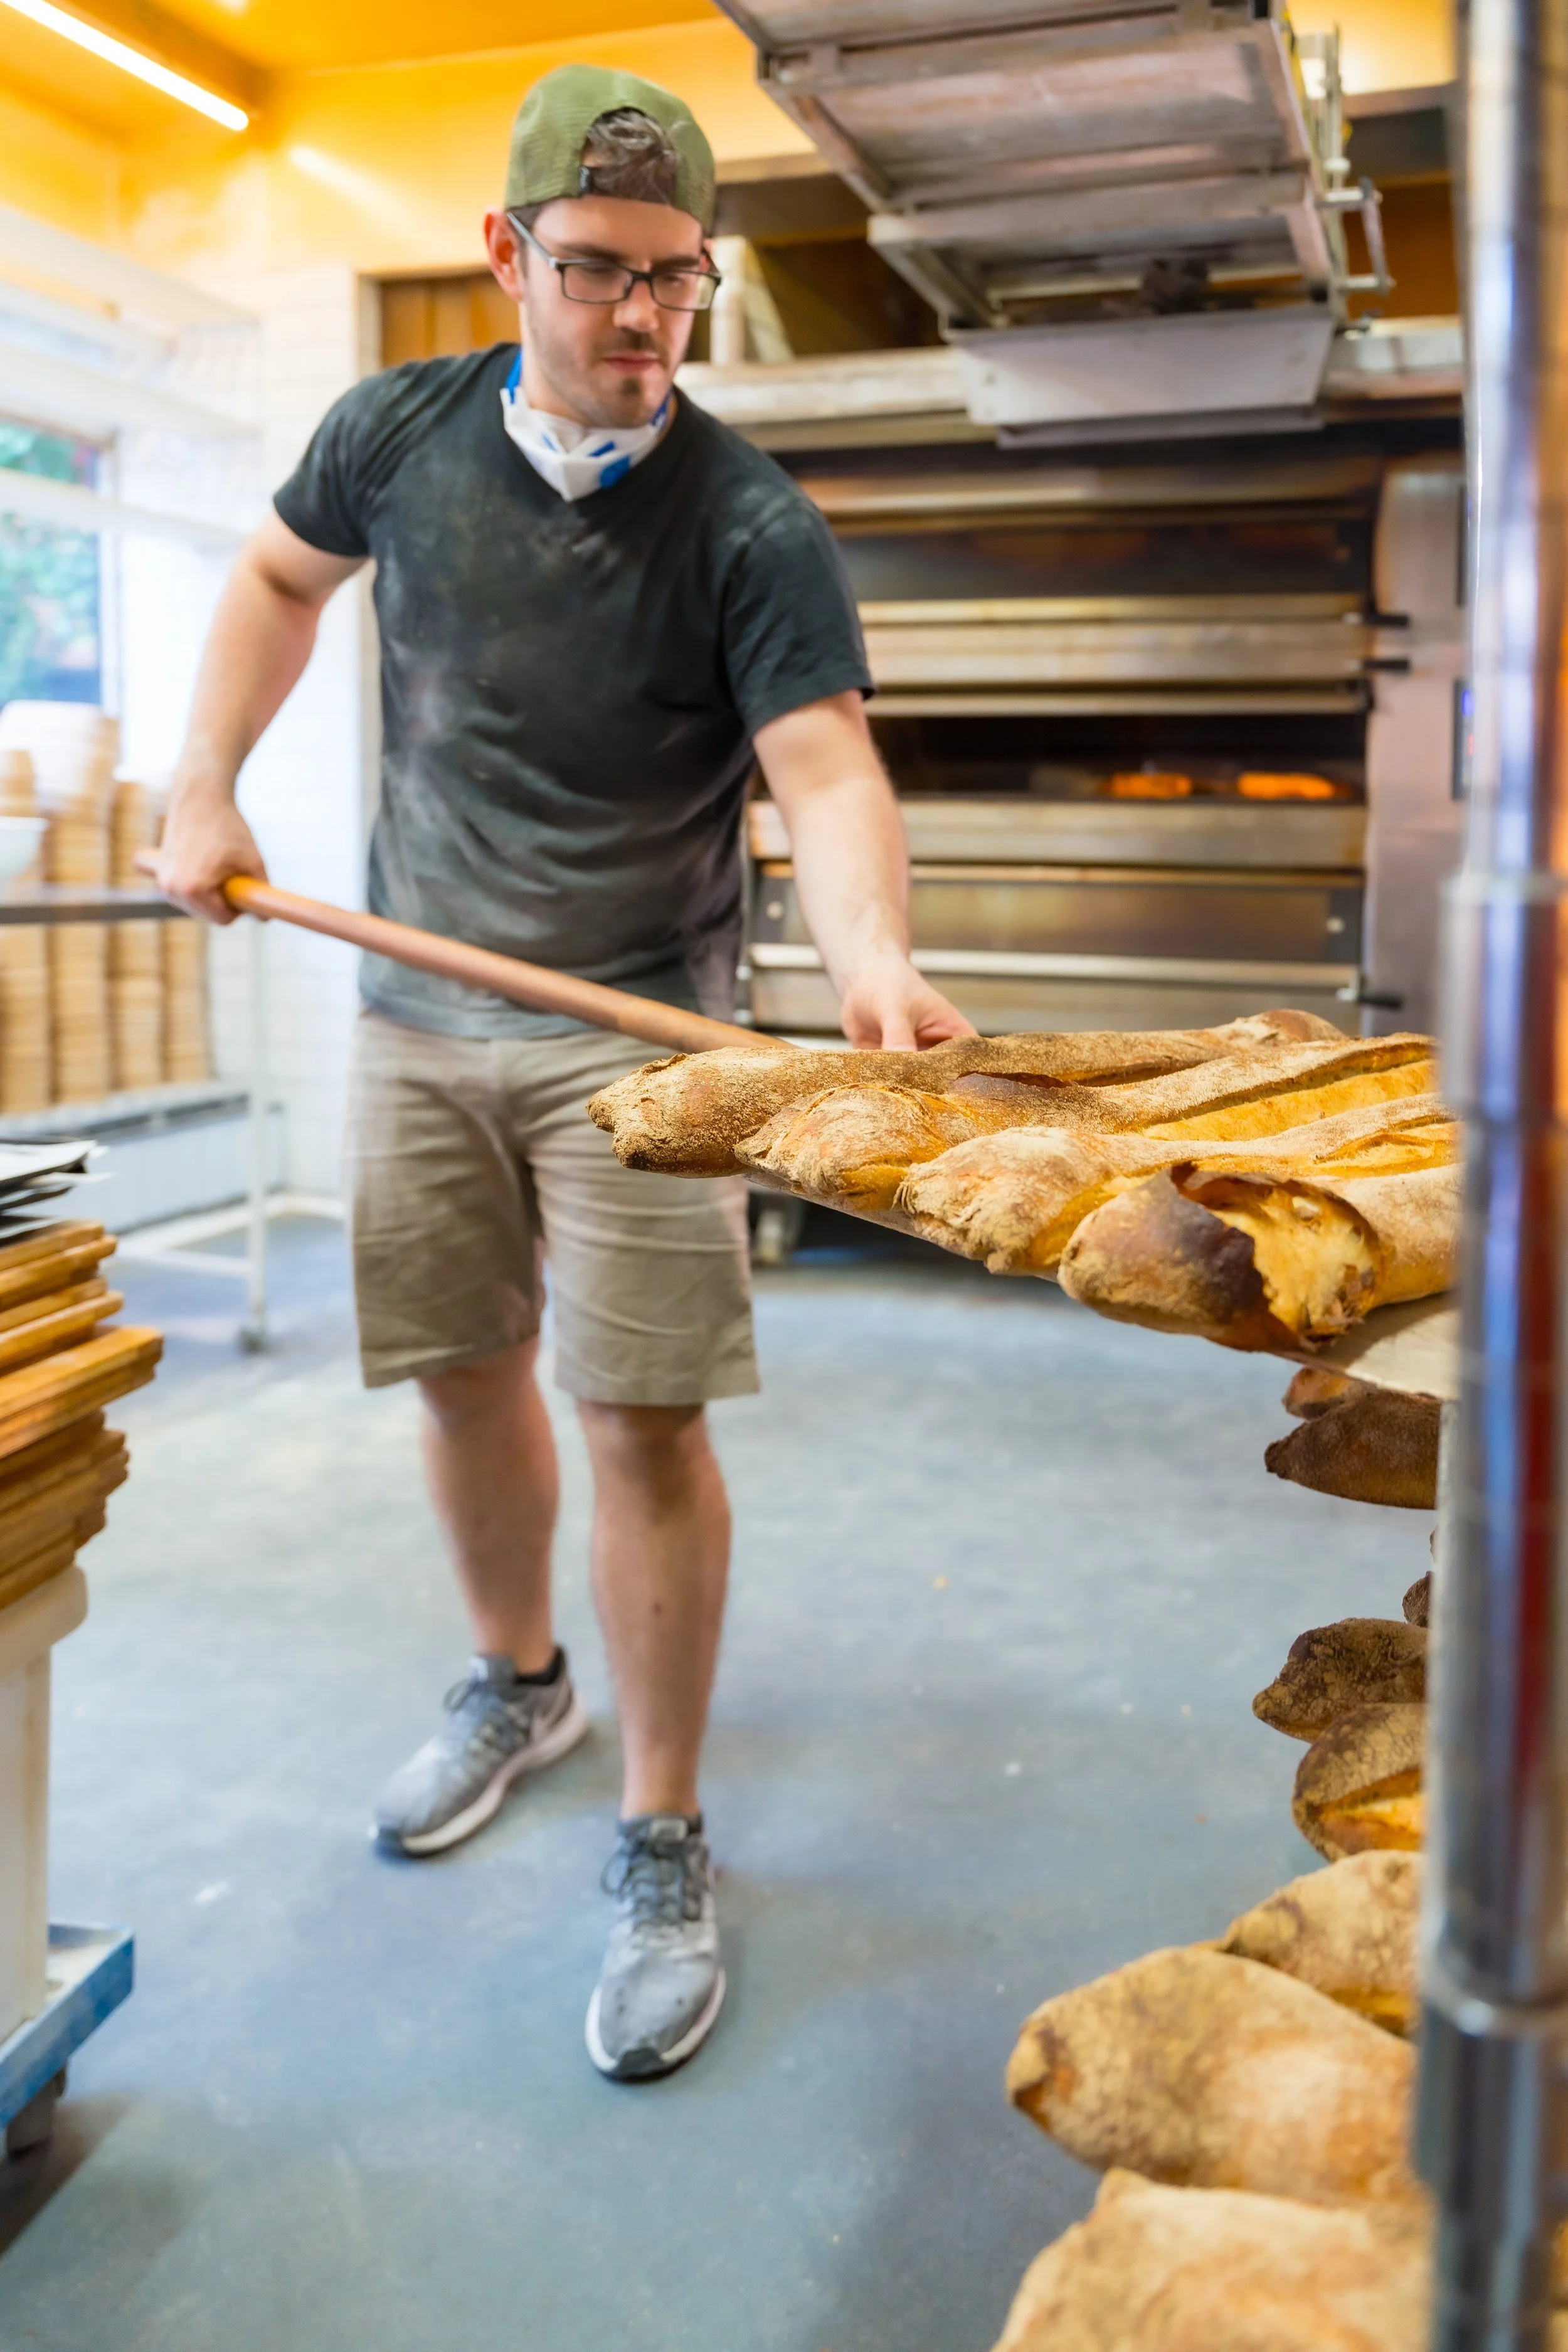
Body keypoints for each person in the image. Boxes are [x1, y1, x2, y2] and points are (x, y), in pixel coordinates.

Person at [156, 61, 971, 2082]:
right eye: (598, 271)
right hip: (415, 1010)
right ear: (506, 253)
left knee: (639, 1423)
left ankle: (662, 1825)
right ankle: (520, 1679)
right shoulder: (396, 431)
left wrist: (871, 953)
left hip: (635, 1037)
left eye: (676, 283)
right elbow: (273, 581)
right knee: (452, 1370)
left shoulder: (748, 522)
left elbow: (823, 765)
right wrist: (201, 780)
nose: (638, 322)